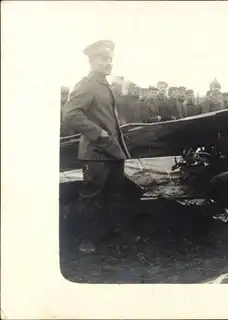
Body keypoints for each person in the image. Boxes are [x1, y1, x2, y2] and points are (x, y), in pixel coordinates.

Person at [62, 40, 131, 254]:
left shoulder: (105, 85)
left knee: (114, 197)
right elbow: (71, 115)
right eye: (103, 58)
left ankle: (111, 235)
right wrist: (98, 133)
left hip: (113, 151)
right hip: (96, 153)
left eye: (110, 59)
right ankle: (86, 240)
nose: (108, 63)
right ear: (91, 60)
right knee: (91, 198)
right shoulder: (86, 84)